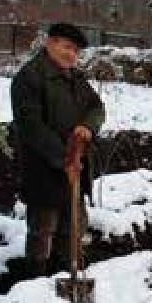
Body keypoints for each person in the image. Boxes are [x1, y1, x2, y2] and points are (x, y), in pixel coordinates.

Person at [11, 22, 105, 275]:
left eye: (76, 51)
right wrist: (65, 159)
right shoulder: (30, 78)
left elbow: (97, 107)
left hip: (74, 166)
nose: (71, 54)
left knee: (74, 227)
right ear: (49, 43)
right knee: (43, 229)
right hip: (44, 168)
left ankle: (67, 273)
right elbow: (31, 127)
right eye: (66, 47)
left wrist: (88, 126)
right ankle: (36, 279)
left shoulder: (76, 78)